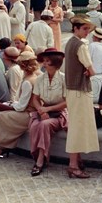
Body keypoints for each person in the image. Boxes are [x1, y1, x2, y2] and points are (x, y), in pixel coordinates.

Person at [64, 15, 99, 178]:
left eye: (88, 29)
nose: (87, 32)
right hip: (80, 90)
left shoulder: (69, 43)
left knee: (76, 125)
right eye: (84, 29)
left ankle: (76, 160)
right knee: (78, 127)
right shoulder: (81, 46)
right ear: (76, 28)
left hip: (71, 90)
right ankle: (73, 164)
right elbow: (92, 71)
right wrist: (88, 71)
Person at [28, 48, 68, 176]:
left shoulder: (63, 79)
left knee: (44, 125)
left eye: (47, 61)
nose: (43, 64)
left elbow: (67, 102)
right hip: (43, 111)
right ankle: (37, 156)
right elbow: (35, 99)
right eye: (44, 61)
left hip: (60, 113)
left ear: (55, 63)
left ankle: (41, 159)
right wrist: (41, 110)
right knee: (35, 125)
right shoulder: (40, 79)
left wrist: (48, 109)